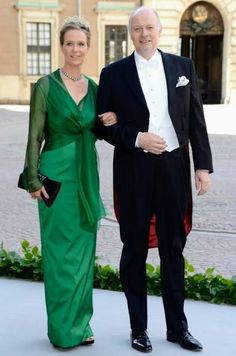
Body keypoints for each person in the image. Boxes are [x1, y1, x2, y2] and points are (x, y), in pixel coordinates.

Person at [95, 6, 213, 353]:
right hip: (134, 170)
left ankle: (178, 328)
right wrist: (136, 137)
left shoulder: (183, 67)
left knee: (173, 249)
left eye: (149, 27)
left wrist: (202, 167)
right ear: (130, 34)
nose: (144, 34)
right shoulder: (113, 73)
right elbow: (101, 126)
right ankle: (138, 329)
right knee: (133, 250)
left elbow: (196, 120)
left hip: (174, 169)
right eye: (137, 29)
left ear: (160, 30)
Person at [21, 16, 116, 349]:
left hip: (86, 178)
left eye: (82, 43)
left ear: (89, 47)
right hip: (56, 179)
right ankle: (62, 330)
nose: (76, 48)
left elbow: (102, 129)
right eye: (70, 43)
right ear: (61, 46)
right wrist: (33, 179)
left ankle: (82, 324)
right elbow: (33, 137)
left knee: (83, 254)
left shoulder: (95, 89)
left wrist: (112, 118)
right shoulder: (45, 86)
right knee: (60, 254)